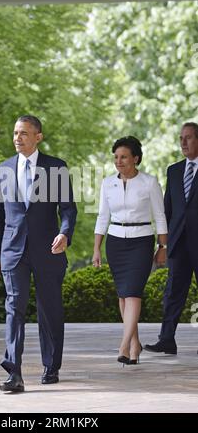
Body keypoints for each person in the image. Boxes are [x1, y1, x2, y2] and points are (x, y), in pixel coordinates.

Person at [0, 115, 77, 392]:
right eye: (15, 133)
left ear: (38, 136)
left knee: (49, 309)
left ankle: (51, 366)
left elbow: (68, 209)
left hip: (49, 249)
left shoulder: (55, 168)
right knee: (14, 308)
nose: (17, 138)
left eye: (24, 133)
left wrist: (65, 233)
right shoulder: (3, 169)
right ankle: (13, 372)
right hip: (13, 251)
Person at [92, 136, 168, 365]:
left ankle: (124, 344)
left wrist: (163, 246)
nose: (119, 161)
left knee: (133, 293)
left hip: (141, 242)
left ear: (136, 158)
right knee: (123, 296)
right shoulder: (107, 183)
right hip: (115, 243)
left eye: (123, 157)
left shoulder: (149, 182)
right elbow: (102, 216)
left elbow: (160, 216)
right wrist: (97, 248)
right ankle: (135, 345)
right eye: (116, 157)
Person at [144, 122, 198, 355]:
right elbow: (167, 210)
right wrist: (162, 243)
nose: (183, 143)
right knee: (173, 292)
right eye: (181, 138)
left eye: (188, 138)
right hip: (177, 243)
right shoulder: (174, 171)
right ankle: (167, 339)